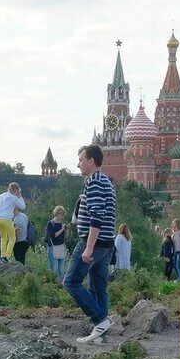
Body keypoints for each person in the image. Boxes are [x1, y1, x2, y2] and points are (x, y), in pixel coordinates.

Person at [65, 145, 116, 344]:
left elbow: (97, 215)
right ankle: (100, 336)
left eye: (81, 160)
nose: (78, 164)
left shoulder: (94, 181)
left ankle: (100, 320)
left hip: (93, 242)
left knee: (71, 282)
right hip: (106, 243)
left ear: (91, 161)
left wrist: (88, 247)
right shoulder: (106, 181)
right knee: (98, 286)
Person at [0, 183, 26, 262]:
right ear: (15, 190)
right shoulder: (14, 198)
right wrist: (20, 197)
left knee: (3, 237)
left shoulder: (1, 196)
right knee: (12, 237)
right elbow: (23, 207)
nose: (18, 193)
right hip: (7, 219)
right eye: (18, 191)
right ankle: (7, 256)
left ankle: (3, 256)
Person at [45, 206, 68, 280]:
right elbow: (53, 235)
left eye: (63, 215)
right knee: (54, 269)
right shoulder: (50, 223)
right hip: (53, 247)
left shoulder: (62, 224)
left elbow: (65, 237)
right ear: (57, 214)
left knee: (61, 268)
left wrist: (66, 229)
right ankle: (52, 284)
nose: (62, 217)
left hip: (61, 247)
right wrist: (62, 229)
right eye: (61, 214)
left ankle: (61, 285)